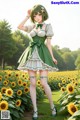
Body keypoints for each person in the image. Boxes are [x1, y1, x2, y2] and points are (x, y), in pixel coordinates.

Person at [17, 4, 58, 120]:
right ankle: (35, 110)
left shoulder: (47, 26)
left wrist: (53, 57)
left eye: (39, 14)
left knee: (44, 83)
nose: (37, 17)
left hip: (43, 55)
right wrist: (26, 15)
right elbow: (19, 26)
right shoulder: (31, 27)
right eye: (34, 15)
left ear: (43, 14)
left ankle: (52, 107)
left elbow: (49, 44)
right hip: (31, 55)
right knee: (33, 83)